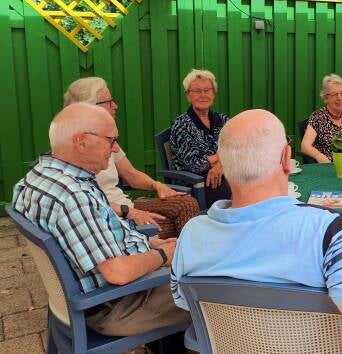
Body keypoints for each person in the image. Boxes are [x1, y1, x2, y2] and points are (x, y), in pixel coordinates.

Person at [171, 110, 342, 353]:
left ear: (223, 163)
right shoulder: (328, 234)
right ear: (286, 158)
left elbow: (185, 304)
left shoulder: (191, 235)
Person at [12, 103, 188, 336]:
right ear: (81, 141)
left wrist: (150, 243)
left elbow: (98, 233)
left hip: (97, 297)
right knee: (209, 289)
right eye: (111, 140)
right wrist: (163, 255)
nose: (115, 149)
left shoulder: (35, 179)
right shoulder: (74, 196)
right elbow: (118, 273)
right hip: (114, 306)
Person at [63, 78, 200, 238]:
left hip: (127, 205)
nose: (115, 106)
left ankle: (185, 250)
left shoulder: (106, 136)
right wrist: (128, 211)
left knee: (187, 204)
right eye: (109, 102)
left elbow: (132, 175)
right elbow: (86, 203)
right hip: (110, 217)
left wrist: (157, 185)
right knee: (180, 225)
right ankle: (181, 251)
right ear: (91, 107)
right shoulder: (76, 148)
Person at [170, 69, 230, 204]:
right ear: (188, 95)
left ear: (213, 93)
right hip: (195, 183)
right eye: (197, 91)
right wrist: (221, 157)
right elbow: (194, 165)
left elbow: (238, 148)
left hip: (222, 174)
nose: (203, 95)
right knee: (231, 189)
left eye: (207, 90)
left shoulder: (222, 120)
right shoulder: (181, 125)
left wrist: (221, 164)